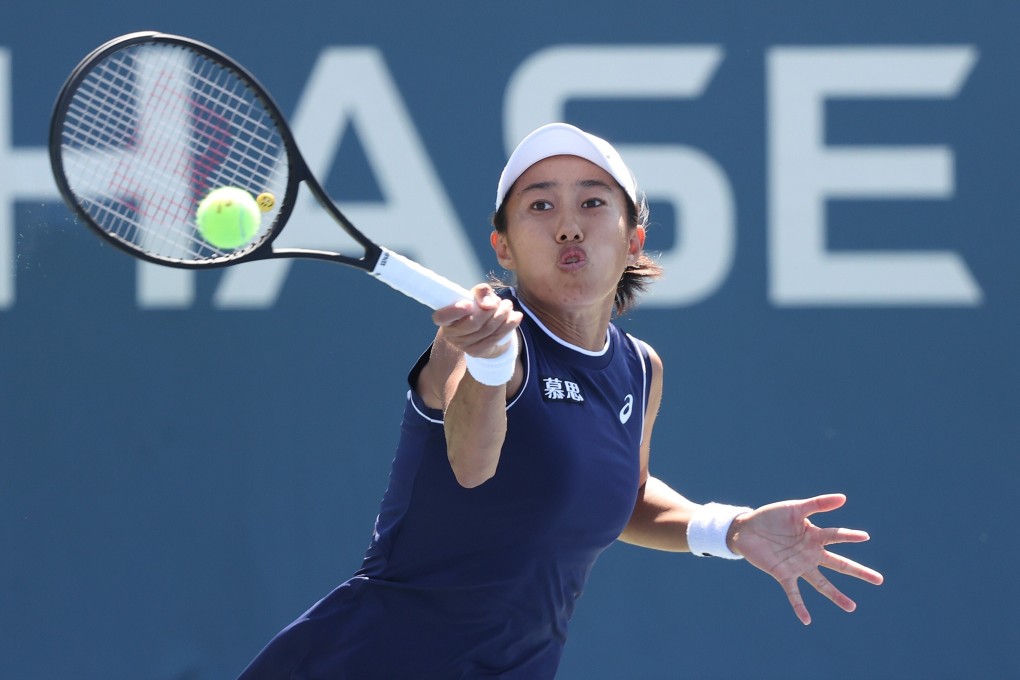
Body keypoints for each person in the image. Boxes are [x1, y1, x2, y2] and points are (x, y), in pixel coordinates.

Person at [238, 123, 884, 679]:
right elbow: (471, 464)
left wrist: (729, 529)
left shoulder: (639, 370)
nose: (569, 223)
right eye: (540, 207)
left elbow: (623, 497)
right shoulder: (471, 344)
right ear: (505, 248)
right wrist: (490, 363)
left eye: (594, 202)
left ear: (634, 239)